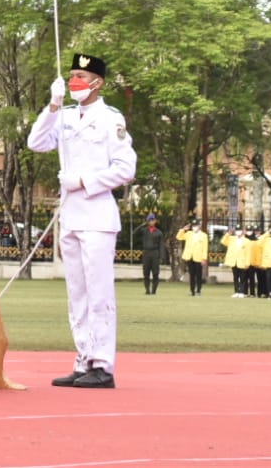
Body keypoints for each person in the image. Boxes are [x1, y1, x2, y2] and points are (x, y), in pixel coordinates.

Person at [28, 53, 137, 389]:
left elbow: (125, 168)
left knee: (99, 293)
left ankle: (102, 364)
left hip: (98, 214)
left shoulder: (110, 119)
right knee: (77, 293)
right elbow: (36, 143)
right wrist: (53, 105)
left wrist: (86, 182)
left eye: (80, 76)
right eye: (72, 75)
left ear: (97, 82)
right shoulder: (67, 117)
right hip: (71, 215)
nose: (74, 81)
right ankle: (82, 360)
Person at [176, 219, 208, 296]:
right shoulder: (189, 234)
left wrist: (204, 258)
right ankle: (192, 290)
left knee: (198, 275)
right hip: (189, 257)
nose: (195, 227)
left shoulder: (204, 235)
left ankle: (198, 290)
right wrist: (183, 229)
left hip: (199, 257)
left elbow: (205, 248)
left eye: (196, 226)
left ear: (199, 226)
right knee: (192, 274)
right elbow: (178, 237)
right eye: (193, 226)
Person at [140, 215, 164, 295]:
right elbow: (134, 233)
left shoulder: (159, 232)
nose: (151, 222)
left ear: (155, 221)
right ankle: (147, 290)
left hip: (155, 253)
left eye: (153, 220)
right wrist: (142, 225)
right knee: (146, 272)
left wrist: (161, 257)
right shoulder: (144, 231)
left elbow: (161, 245)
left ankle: (154, 290)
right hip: (146, 253)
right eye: (149, 220)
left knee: (155, 273)